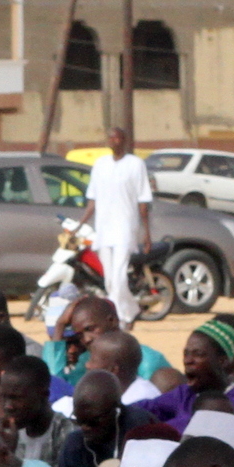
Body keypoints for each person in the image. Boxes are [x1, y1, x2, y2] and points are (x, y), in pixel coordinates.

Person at [83, 126, 157, 325]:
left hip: (125, 227)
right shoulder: (100, 165)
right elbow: (92, 200)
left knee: (119, 276)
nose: (115, 141)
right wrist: (80, 224)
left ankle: (119, 319)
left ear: (125, 141)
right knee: (109, 279)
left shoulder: (136, 164)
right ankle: (131, 309)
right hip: (103, 228)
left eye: (118, 138)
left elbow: (143, 201)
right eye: (111, 138)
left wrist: (146, 233)